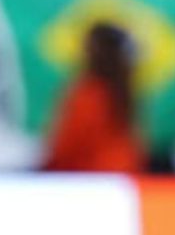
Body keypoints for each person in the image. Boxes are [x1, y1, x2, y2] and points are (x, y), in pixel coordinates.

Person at [41, 22, 145, 173]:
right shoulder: (124, 93)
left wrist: (45, 169)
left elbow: (69, 145)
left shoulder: (89, 93)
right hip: (123, 178)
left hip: (88, 180)